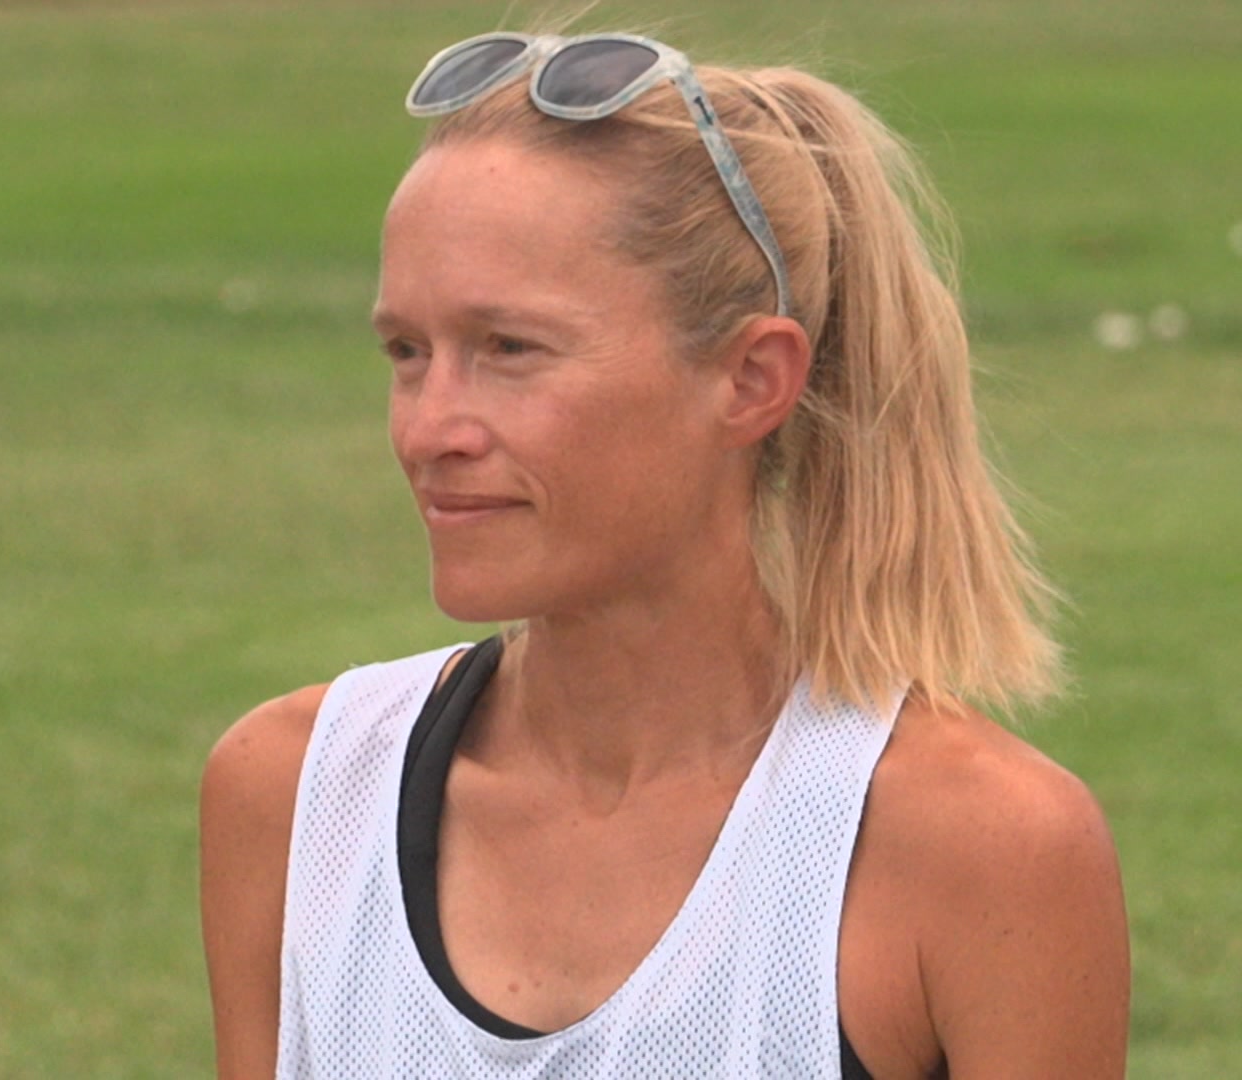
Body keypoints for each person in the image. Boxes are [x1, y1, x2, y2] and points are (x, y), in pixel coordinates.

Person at [199, 26, 1130, 1080]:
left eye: (510, 349)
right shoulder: (296, 794)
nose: (429, 428)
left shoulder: (984, 852)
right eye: (408, 353)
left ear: (750, 381)